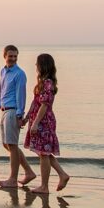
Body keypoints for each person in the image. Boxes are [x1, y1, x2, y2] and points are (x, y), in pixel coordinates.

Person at [23, 53, 70, 194]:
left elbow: (44, 105)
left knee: (43, 154)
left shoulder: (48, 83)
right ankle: (62, 174)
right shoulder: (42, 82)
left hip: (44, 122)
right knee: (44, 153)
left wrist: (36, 123)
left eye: (37, 64)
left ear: (42, 65)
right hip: (38, 120)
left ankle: (44, 186)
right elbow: (35, 102)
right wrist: (26, 119)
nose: (36, 66)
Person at [0, 44, 37, 188]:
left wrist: (20, 116)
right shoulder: (3, 71)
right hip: (4, 111)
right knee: (7, 145)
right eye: (10, 56)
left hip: (13, 112)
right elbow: (1, 93)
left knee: (12, 145)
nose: (12, 59)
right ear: (4, 56)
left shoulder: (20, 74)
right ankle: (29, 172)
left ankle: (12, 179)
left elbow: (21, 96)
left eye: (15, 56)